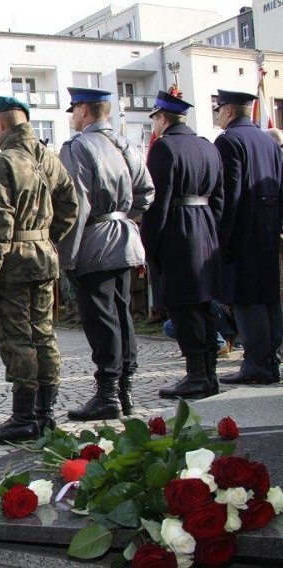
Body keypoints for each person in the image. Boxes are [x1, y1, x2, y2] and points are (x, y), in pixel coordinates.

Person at [0, 96, 78, 444]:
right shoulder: (49, 158)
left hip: (13, 264)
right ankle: (45, 414)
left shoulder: (2, 162)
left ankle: (23, 418)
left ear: (1, 124)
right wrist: (46, 239)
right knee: (44, 336)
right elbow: (70, 204)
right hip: (44, 257)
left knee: (18, 339)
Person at [58, 87, 155, 421]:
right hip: (125, 235)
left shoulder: (78, 146)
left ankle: (108, 395)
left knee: (101, 318)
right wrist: (123, 213)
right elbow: (146, 192)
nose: (72, 116)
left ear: (84, 110)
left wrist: (66, 257)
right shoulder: (125, 143)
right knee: (121, 313)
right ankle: (124, 390)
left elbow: (76, 204)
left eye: (74, 110)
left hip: (95, 239)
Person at [141, 91, 224, 400]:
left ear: (162, 118)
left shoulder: (164, 148)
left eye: (155, 120)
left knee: (183, 308)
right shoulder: (207, 146)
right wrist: (211, 228)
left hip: (178, 232)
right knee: (203, 307)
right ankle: (208, 373)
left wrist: (151, 245)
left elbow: (158, 203)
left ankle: (198, 376)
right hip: (205, 228)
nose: (155, 127)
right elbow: (219, 198)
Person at [214, 89, 283, 385]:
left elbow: (230, 193)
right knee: (268, 298)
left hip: (242, 229)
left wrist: (222, 238)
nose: (217, 114)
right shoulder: (268, 140)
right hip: (268, 228)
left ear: (229, 111)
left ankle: (257, 364)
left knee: (246, 300)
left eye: (218, 109)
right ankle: (269, 360)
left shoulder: (229, 141)